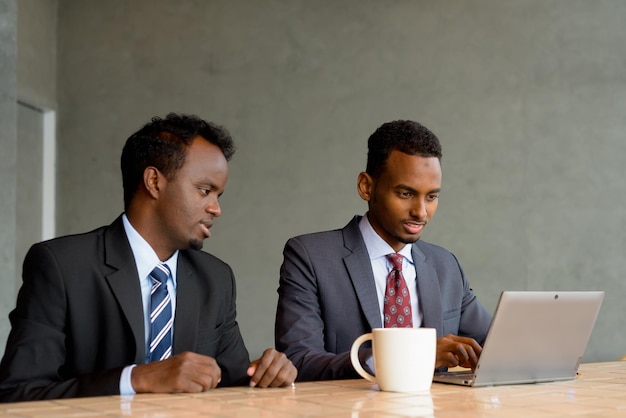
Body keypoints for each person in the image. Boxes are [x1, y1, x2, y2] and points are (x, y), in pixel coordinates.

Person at [0, 113, 296, 402]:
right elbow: (18, 393)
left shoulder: (216, 278)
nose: (216, 209)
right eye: (205, 191)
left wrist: (267, 376)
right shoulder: (61, 265)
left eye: (218, 196)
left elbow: (232, 385)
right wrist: (137, 379)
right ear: (154, 181)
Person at [275, 119, 492, 381]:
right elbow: (298, 360)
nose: (421, 212)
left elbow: (497, 346)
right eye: (405, 194)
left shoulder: (445, 265)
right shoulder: (310, 257)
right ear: (366, 186)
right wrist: (414, 355)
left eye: (431, 196)